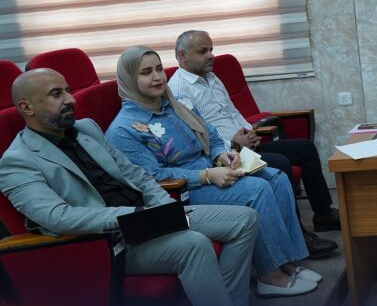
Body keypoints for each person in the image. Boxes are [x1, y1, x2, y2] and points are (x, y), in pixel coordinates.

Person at [0, 69, 258, 306]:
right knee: (195, 244)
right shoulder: (17, 161)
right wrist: (136, 216)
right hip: (108, 241)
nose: (70, 99)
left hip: (149, 215)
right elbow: (57, 217)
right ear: (27, 107)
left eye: (68, 90)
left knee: (245, 220)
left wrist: (165, 207)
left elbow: (137, 174)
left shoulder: (86, 128)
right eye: (56, 94)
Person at [106, 46, 321, 297]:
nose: (157, 77)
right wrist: (207, 175)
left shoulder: (176, 104)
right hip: (183, 191)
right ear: (129, 80)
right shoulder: (124, 130)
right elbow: (152, 179)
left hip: (212, 168)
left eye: (159, 69)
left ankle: (289, 261)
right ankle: (270, 275)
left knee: (277, 178)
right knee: (258, 190)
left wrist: (223, 155)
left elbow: (213, 136)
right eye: (146, 73)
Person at [168, 31, 341, 239]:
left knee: (305, 148)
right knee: (280, 163)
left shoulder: (212, 77)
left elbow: (232, 111)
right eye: (203, 51)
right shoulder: (178, 90)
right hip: (223, 157)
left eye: (211, 50)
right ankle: (298, 235)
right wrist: (234, 144)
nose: (211, 55)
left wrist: (249, 131)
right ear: (182, 55)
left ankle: (324, 214)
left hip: (244, 147)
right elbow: (197, 137)